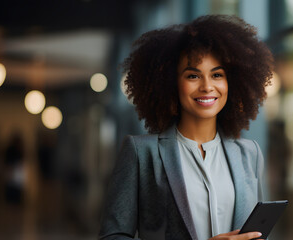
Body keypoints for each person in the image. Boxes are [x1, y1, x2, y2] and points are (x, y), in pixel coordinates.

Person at [99, 15, 274, 240]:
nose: (207, 86)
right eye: (193, 75)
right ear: (171, 83)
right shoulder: (140, 153)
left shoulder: (250, 154)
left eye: (217, 75)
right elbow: (112, 237)